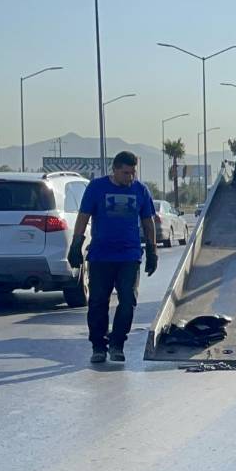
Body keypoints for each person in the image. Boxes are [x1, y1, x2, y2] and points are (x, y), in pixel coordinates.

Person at [68, 151, 158, 364]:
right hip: (101, 256)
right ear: (115, 170)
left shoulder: (140, 190)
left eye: (133, 172)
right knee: (98, 302)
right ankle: (98, 346)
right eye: (126, 173)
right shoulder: (96, 188)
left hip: (129, 256)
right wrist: (76, 245)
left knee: (128, 300)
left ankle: (117, 343)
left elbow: (148, 221)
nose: (130, 177)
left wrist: (153, 250)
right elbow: (83, 216)